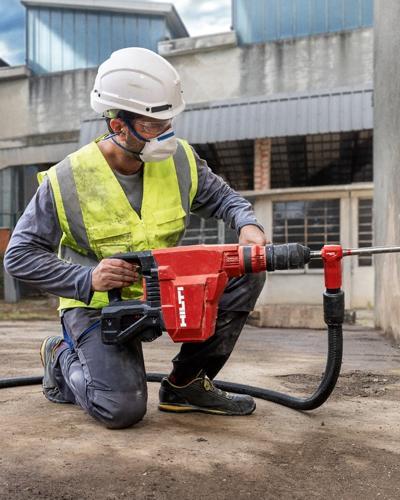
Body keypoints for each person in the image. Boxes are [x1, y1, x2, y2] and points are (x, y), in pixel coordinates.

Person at [4, 47, 267, 429]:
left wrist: (248, 225)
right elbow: (19, 255)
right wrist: (87, 278)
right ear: (118, 126)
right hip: (97, 306)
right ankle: (60, 356)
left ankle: (186, 384)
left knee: (247, 270)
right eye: (152, 126)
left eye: (168, 121)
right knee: (121, 409)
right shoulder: (67, 179)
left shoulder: (181, 161)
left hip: (161, 294)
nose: (166, 134)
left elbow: (225, 199)